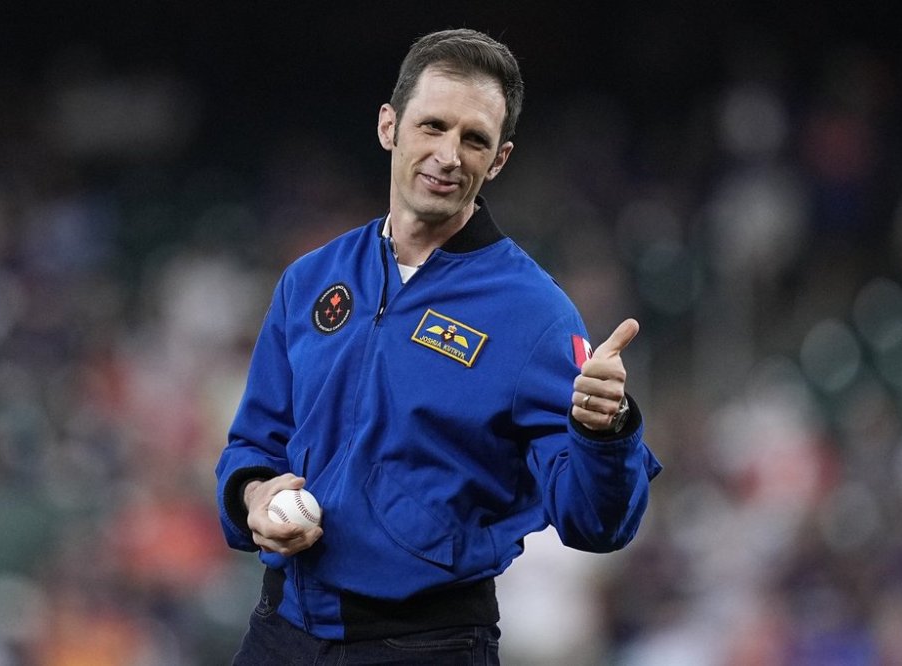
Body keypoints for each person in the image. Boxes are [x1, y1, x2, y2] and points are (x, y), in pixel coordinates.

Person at [215, 27, 662, 665]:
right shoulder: (311, 280)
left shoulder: (533, 315)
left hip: (429, 643)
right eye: (432, 126)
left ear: (498, 159)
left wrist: (605, 429)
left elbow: (597, 523)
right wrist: (255, 497)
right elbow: (253, 445)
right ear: (389, 126)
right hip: (282, 630)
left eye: (474, 138)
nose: (449, 155)